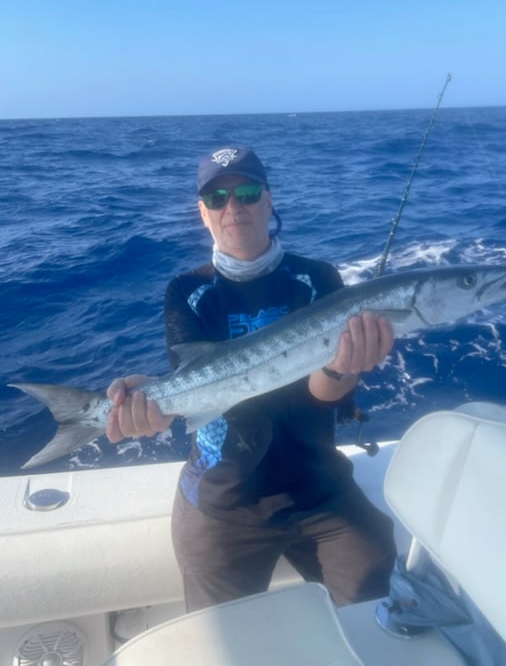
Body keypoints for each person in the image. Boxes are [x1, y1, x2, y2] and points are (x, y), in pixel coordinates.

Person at [106, 146, 397, 612]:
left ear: (268, 199)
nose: (233, 208)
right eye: (217, 199)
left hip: (319, 489)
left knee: (377, 604)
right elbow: (192, 382)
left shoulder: (317, 277)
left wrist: (343, 366)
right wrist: (147, 404)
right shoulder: (187, 291)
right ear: (203, 213)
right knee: (223, 643)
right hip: (224, 501)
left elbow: (325, 396)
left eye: (245, 192)